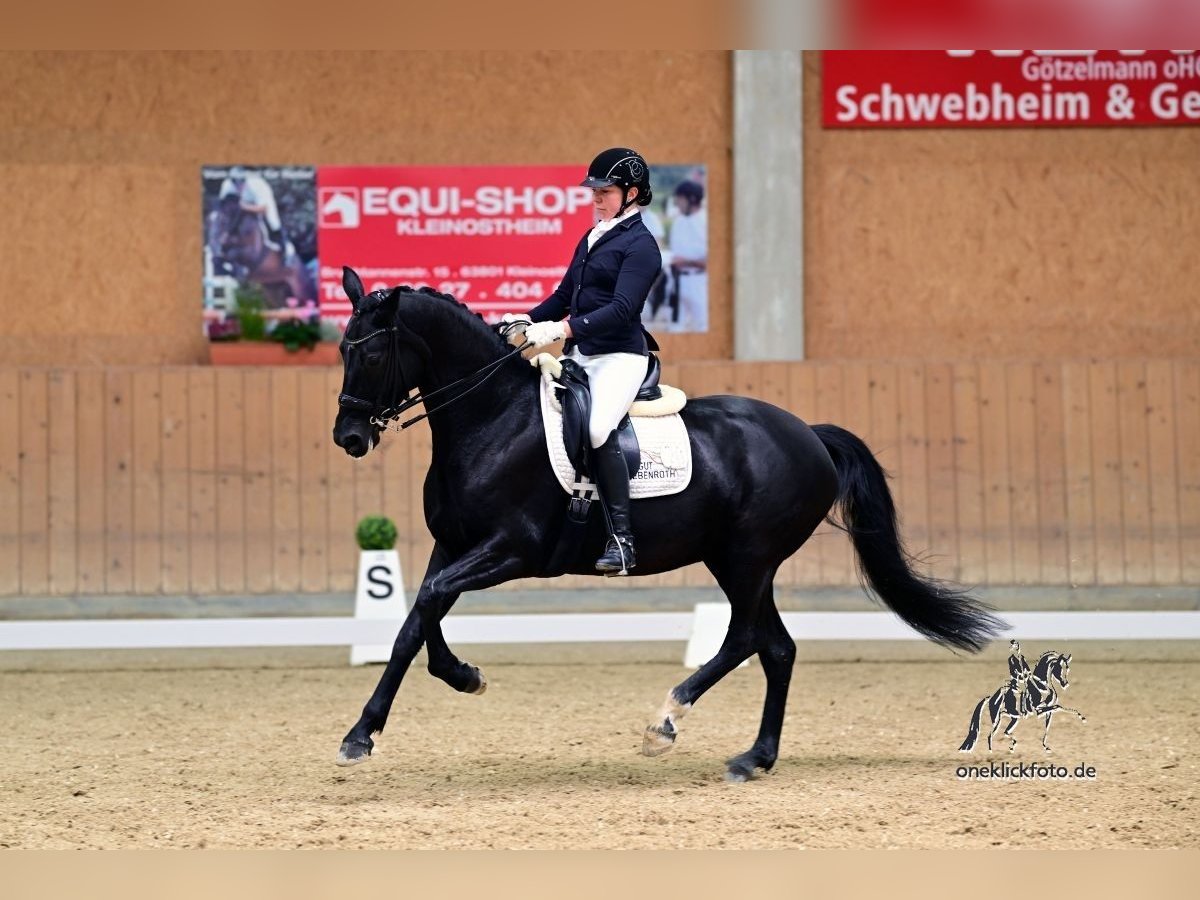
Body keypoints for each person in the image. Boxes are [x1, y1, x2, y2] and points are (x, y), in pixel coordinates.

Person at [507, 148, 662, 575]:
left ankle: (622, 540)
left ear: (631, 193)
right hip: (582, 354)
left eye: (605, 191)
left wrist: (563, 330)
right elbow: (563, 296)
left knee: (597, 428)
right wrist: (525, 318)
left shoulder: (642, 246)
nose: (596, 198)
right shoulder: (594, 235)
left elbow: (623, 308)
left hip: (620, 356)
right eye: (593, 191)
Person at [667, 179, 708, 333]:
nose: (677, 203)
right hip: (677, 282)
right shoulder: (678, 222)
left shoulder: (706, 222)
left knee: (703, 328)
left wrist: (686, 262)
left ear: (692, 199)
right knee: (674, 327)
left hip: (699, 282)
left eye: (680, 199)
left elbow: (711, 262)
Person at [219, 165, 286, 253]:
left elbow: (264, 209)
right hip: (240, 206)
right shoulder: (227, 185)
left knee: (272, 220)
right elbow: (222, 207)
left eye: (241, 182)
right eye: (235, 182)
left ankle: (283, 249)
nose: (239, 185)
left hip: (260, 205)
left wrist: (244, 207)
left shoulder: (257, 184)